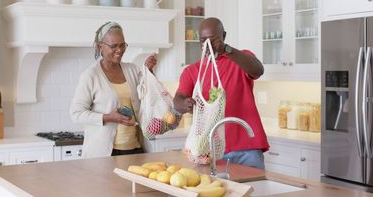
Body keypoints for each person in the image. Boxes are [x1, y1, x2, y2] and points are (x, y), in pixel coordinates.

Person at [174, 17, 269, 169]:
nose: (207, 45)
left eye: (212, 40)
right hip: (210, 151)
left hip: (247, 149)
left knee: (253, 190)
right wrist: (184, 104)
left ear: (223, 36)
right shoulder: (192, 71)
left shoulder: (240, 58)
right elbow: (178, 101)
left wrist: (226, 50)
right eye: (202, 40)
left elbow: (258, 70)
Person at [70, 21, 156, 158]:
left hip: (135, 148)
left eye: (122, 45)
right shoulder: (90, 75)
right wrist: (108, 117)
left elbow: (149, 94)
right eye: (114, 46)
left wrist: (148, 71)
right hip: (104, 153)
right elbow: (76, 113)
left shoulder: (132, 69)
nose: (119, 50)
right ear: (100, 47)